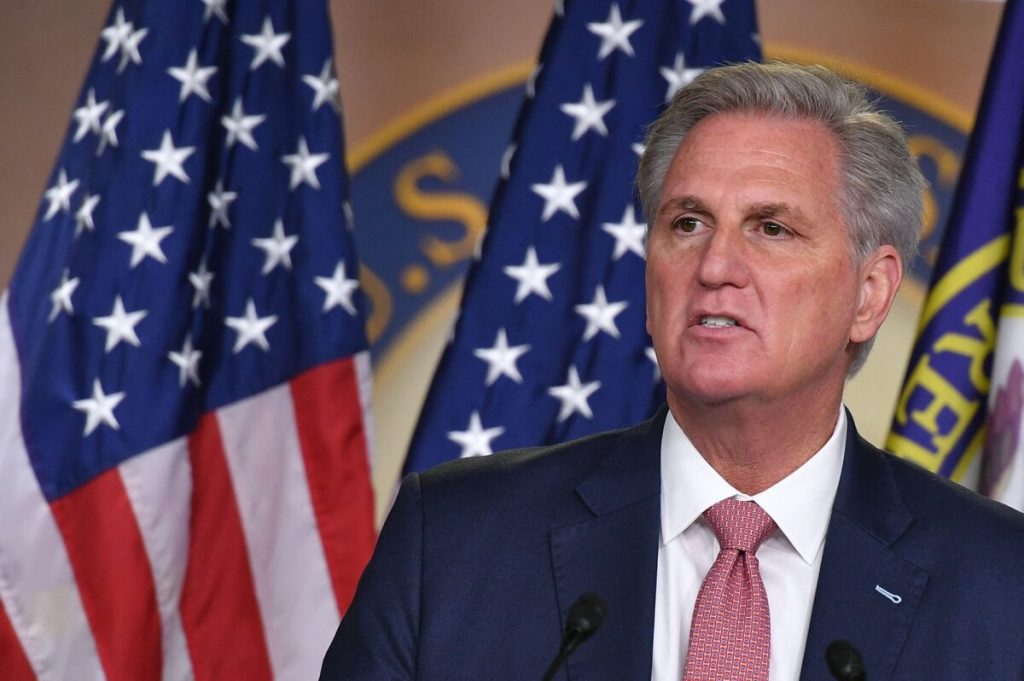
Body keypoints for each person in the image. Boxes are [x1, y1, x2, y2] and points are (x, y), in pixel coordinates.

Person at [320, 62, 1024, 680]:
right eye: (687, 223)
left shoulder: (1001, 583)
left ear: (869, 295)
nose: (714, 267)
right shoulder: (452, 544)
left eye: (771, 228)